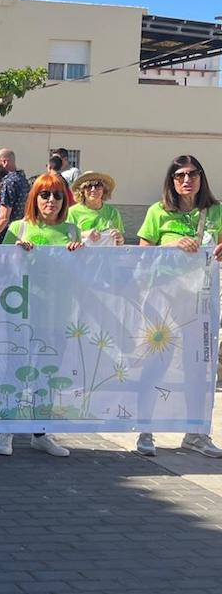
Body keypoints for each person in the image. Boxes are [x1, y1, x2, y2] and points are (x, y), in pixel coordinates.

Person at [135, 155, 222, 458]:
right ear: (171, 180)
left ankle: (197, 433)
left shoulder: (215, 212)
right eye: (180, 175)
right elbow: (142, 256)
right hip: (163, 298)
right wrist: (170, 245)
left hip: (200, 300)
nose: (187, 180)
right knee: (156, 364)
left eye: (193, 174)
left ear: (202, 177)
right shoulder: (157, 212)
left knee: (198, 367)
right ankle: (144, 430)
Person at [0, 173, 82, 458]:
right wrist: (16, 256)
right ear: (35, 198)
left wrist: (79, 254)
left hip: (57, 314)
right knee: (16, 370)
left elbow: (81, 272)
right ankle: (6, 430)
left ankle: (40, 432)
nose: (51, 201)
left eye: (58, 195)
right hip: (22, 314)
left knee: (48, 374)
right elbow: (0, 271)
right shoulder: (18, 228)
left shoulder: (72, 231)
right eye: (45, 195)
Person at [67, 171, 124, 245]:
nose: (93, 189)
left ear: (104, 190)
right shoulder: (72, 212)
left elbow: (120, 243)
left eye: (98, 186)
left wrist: (120, 239)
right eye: (88, 186)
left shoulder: (113, 212)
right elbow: (66, 238)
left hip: (107, 255)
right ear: (82, 191)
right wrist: (84, 234)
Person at [0, 148, 29, 245]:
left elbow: (4, 217)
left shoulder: (9, 182)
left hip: (2, 238)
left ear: (4, 162)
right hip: (17, 235)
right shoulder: (23, 180)